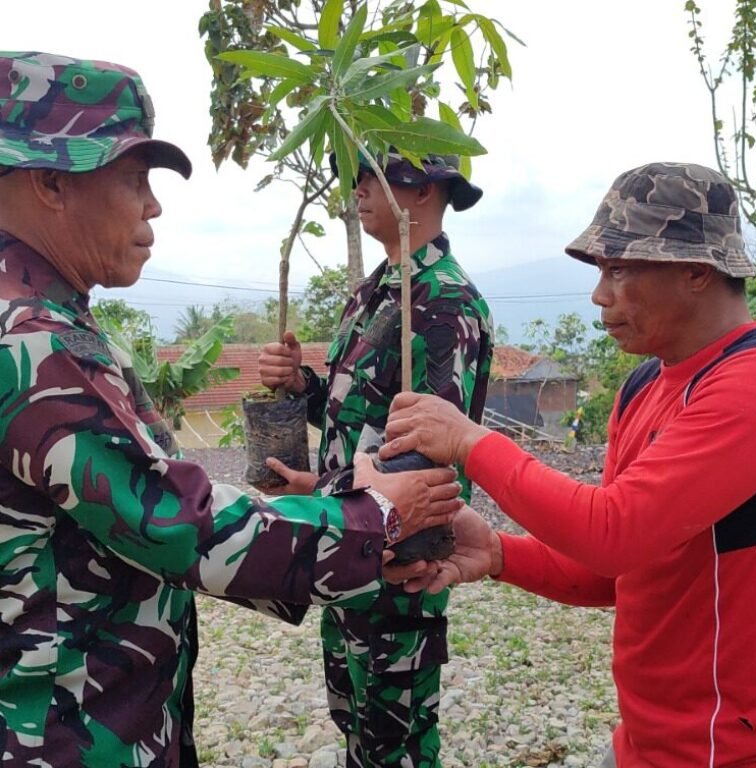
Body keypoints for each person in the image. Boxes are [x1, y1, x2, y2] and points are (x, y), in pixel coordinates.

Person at [0, 51, 463, 767]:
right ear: (53, 181)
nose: (152, 205)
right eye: (133, 178)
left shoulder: (46, 323)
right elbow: (175, 524)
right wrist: (376, 518)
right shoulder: (30, 340)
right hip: (57, 732)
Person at [383, 162, 756, 767]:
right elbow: (618, 569)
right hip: (649, 743)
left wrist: (471, 443)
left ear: (697, 272)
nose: (601, 294)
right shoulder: (646, 384)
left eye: (621, 269)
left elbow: (613, 532)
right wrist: (497, 553)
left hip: (739, 752)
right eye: (603, 269)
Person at [257, 152, 492, 766]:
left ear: (424, 193)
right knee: (353, 719)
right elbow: (354, 416)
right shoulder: (374, 294)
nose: (358, 189)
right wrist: (301, 384)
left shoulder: (446, 304)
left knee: (397, 738)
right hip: (355, 543)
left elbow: (425, 461)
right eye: (357, 176)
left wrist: (323, 484)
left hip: (401, 563)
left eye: (375, 177)